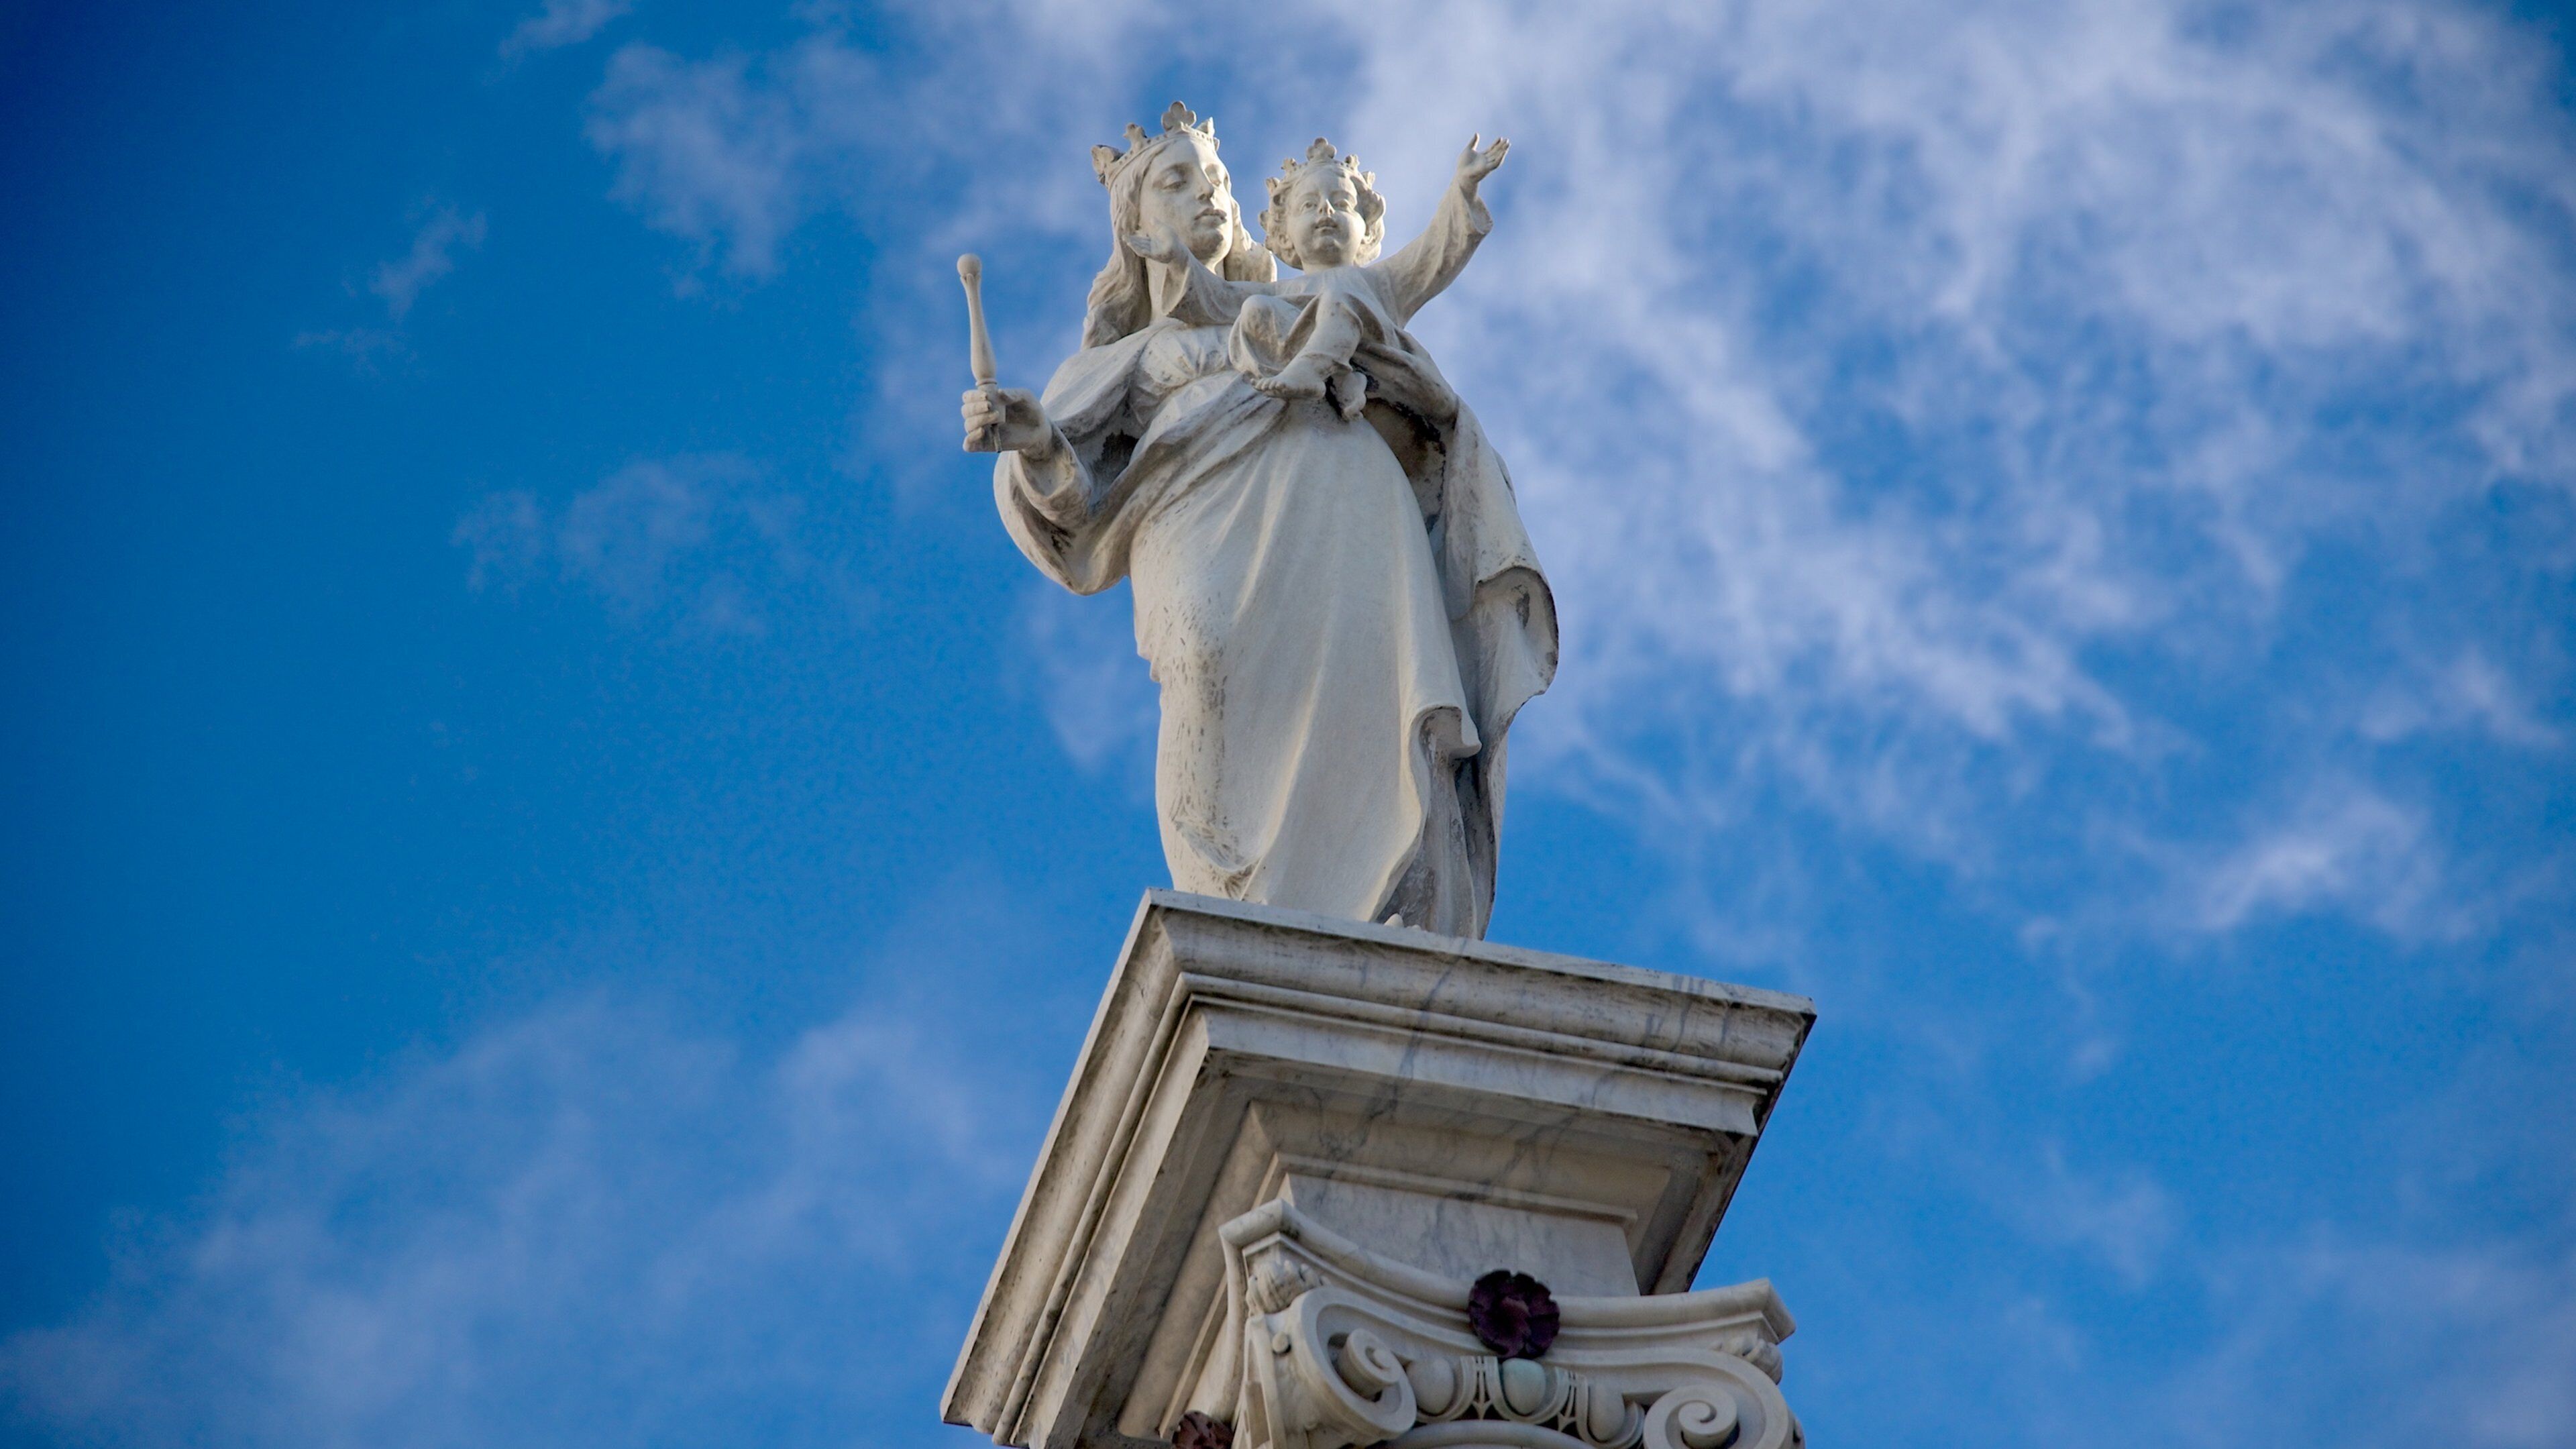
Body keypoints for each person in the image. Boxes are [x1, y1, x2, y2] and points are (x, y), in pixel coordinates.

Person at [961, 103, 1554, 939]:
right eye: (1179, 182)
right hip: (1199, 524)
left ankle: (1394, 903)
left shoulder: (1291, 305)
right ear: (1135, 228)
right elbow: (1072, 505)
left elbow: (1406, 297)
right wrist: (1033, 441)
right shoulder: (1119, 360)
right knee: (1204, 666)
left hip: (1350, 502)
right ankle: (1240, 908)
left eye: (1218, 180)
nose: (1208, 195)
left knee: (1376, 683)